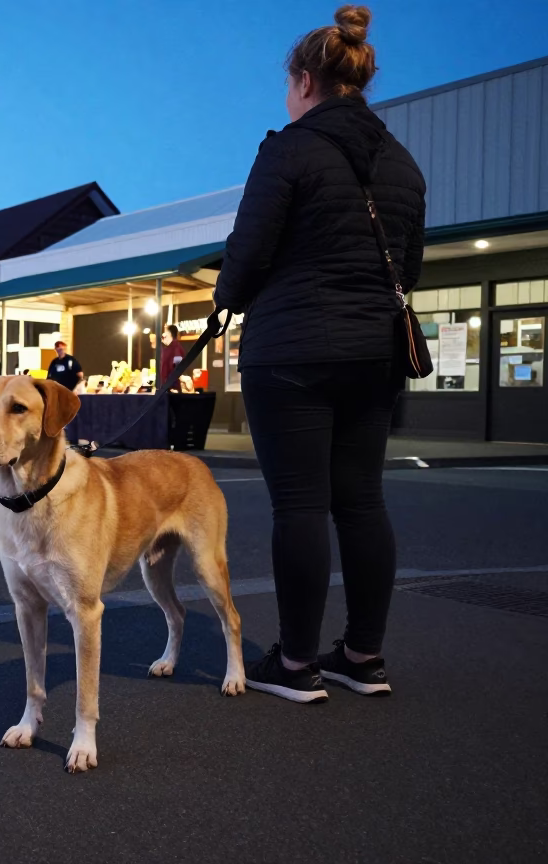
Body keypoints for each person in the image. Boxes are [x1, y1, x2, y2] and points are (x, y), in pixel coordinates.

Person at [212, 5, 425, 703]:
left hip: (294, 349)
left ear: (305, 80)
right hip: (375, 351)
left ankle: (297, 663)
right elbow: (410, 266)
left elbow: (247, 254)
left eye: (287, 84)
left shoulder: (288, 149)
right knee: (362, 501)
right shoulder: (403, 163)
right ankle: (363, 656)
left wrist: (229, 298)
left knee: (300, 504)